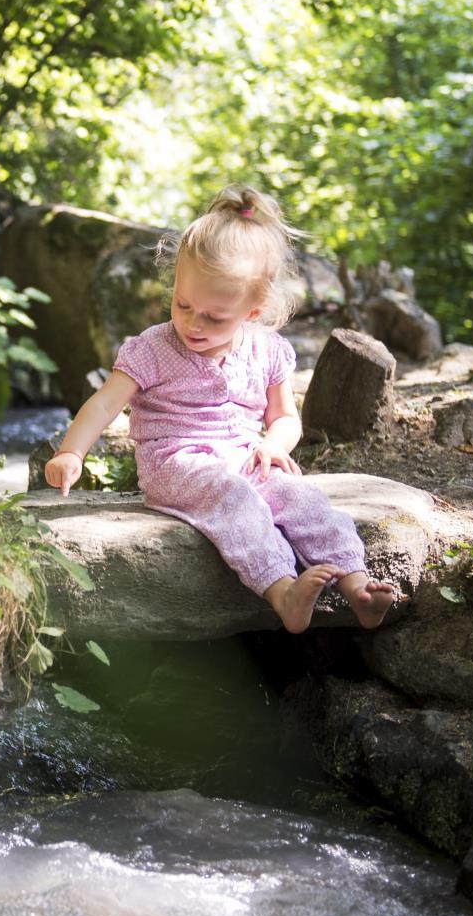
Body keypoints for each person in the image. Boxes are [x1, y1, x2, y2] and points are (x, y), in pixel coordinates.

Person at [42, 186, 398, 633]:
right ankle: (283, 590)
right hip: (178, 462)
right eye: (183, 305)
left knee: (301, 496)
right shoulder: (152, 349)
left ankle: (357, 588)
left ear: (254, 310)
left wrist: (273, 445)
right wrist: (72, 452)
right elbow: (103, 404)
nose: (193, 323)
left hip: (248, 456)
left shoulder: (267, 350)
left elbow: (287, 418)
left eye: (214, 317)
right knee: (234, 497)